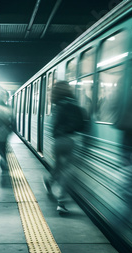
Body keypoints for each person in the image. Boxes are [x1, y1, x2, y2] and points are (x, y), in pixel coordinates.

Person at [43, 81, 84, 214]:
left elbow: (53, 127)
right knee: (67, 171)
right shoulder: (73, 104)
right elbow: (81, 124)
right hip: (70, 140)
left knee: (59, 167)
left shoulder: (57, 106)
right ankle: (61, 202)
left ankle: (49, 182)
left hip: (58, 141)